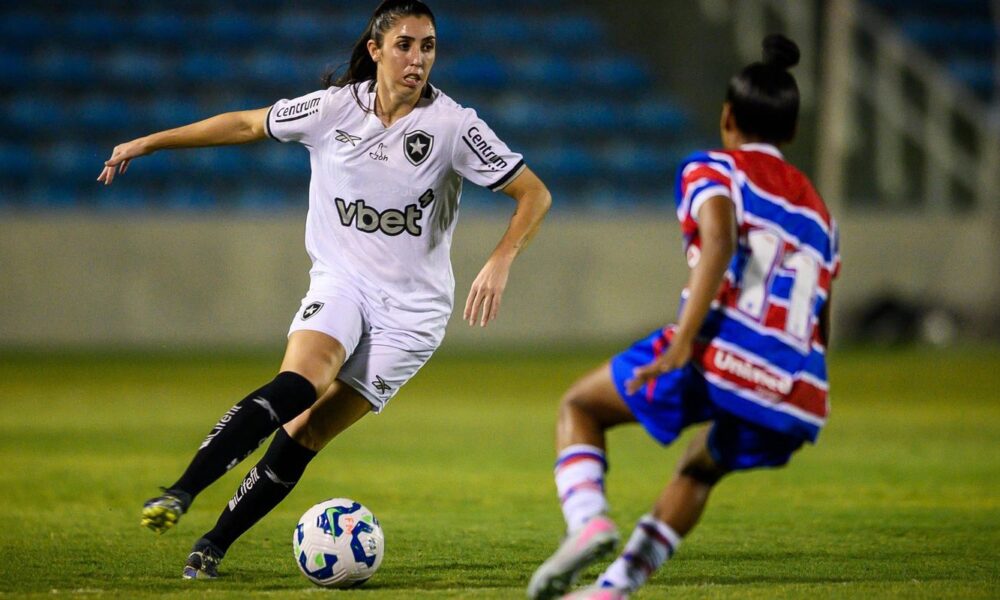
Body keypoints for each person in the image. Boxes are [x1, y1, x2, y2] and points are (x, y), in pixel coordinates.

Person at [98, 0, 551, 580]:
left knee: (307, 431)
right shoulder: (335, 109)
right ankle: (181, 490)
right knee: (299, 384)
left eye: (429, 46)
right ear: (376, 50)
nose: (418, 59)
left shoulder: (454, 126)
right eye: (406, 45)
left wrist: (501, 257)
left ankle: (213, 543)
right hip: (342, 281)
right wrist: (150, 142)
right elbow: (246, 123)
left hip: (412, 314)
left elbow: (534, 194)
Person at [526, 34, 839, 600]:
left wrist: (683, 340)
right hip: (796, 386)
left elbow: (718, 238)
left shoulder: (713, 169)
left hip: (718, 349)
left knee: (580, 406)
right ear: (791, 131)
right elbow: (823, 313)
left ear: (727, 117)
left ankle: (589, 521)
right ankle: (614, 587)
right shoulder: (820, 212)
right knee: (699, 468)